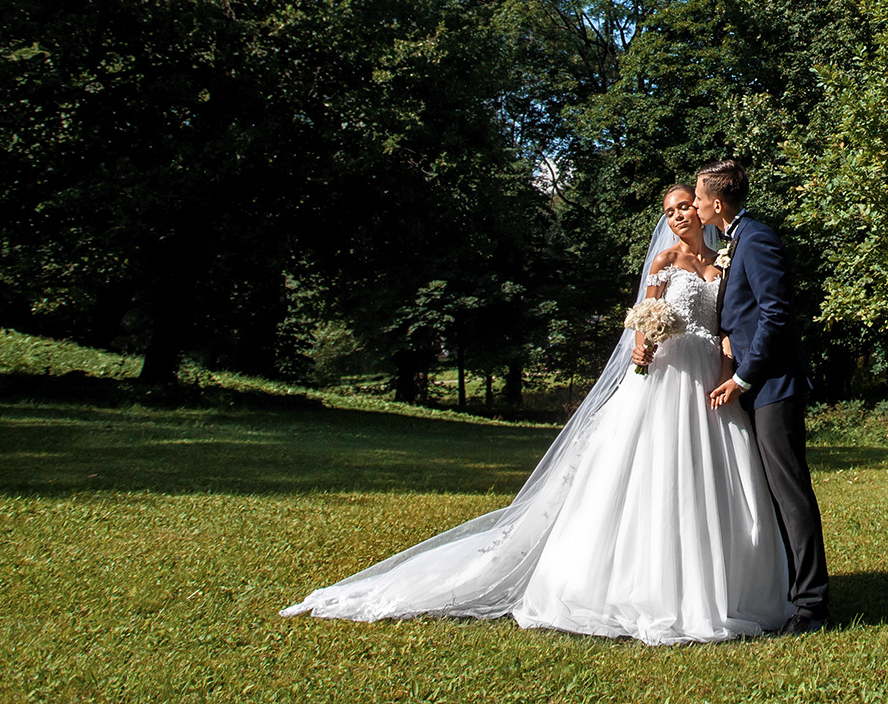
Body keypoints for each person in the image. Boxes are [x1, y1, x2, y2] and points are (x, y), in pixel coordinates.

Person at [280, 185, 794, 644]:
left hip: (708, 382)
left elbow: (727, 327)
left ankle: (722, 586)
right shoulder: (661, 264)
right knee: (650, 476)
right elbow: (644, 320)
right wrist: (641, 346)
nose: (679, 214)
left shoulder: (722, 266)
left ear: (705, 210)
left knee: (715, 480)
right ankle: (639, 586)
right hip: (664, 380)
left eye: (685, 205)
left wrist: (730, 373)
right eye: (670, 209)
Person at [696, 158, 830, 632]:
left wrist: (743, 378)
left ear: (716, 202)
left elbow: (776, 315)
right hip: (755, 381)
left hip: (773, 384)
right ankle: (790, 592)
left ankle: (812, 606)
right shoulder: (735, 240)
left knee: (790, 493)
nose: (693, 204)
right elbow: (746, 313)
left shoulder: (757, 238)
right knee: (773, 493)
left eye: (697, 196)